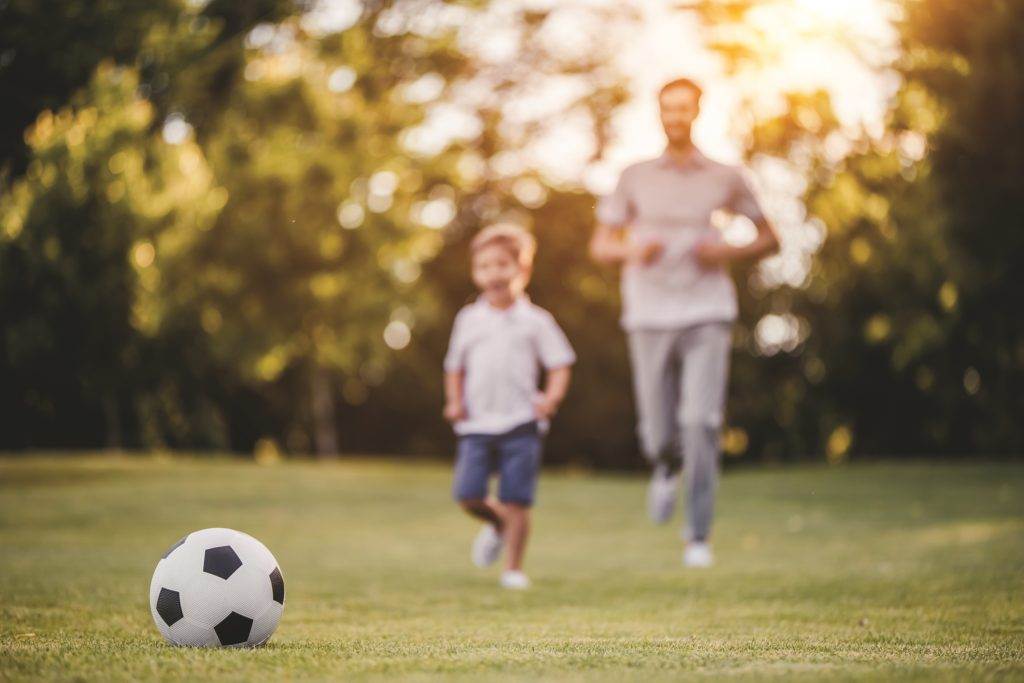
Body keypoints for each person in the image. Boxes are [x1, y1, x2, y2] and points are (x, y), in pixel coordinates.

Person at [589, 77, 779, 568]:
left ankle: (697, 535)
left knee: (702, 422)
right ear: (658, 113)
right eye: (667, 109)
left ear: (697, 112)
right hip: (648, 312)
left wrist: (727, 250)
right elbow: (601, 245)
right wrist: (634, 248)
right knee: (657, 429)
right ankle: (664, 466)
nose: (675, 117)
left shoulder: (724, 175)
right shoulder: (633, 176)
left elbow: (769, 236)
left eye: (683, 109)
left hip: (707, 309)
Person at [443, 224, 575, 589]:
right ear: (475, 273)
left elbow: (560, 364)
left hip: (521, 423)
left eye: (501, 265)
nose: (493, 274)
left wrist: (551, 398)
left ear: (522, 270)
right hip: (477, 425)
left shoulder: (536, 321)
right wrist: (454, 401)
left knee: (517, 499)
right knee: (468, 495)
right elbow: (454, 367)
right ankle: (497, 522)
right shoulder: (468, 319)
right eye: (483, 267)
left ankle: (513, 569)